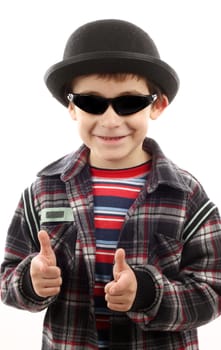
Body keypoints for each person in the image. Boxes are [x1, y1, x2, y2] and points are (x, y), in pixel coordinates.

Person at [1, 19, 221, 350]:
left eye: (129, 102)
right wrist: (31, 282)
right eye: (92, 102)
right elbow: (8, 280)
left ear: (157, 105)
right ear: (72, 106)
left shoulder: (186, 195)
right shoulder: (43, 192)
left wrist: (146, 293)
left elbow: (214, 289)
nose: (110, 120)